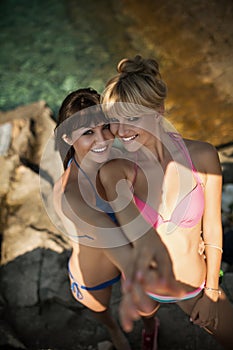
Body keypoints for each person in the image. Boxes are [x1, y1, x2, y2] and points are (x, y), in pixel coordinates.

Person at [98, 55, 233, 350]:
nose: (121, 131)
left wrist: (211, 291)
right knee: (147, 314)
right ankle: (151, 328)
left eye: (131, 118)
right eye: (114, 120)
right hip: (143, 286)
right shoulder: (119, 171)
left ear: (158, 110)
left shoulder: (203, 157)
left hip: (193, 286)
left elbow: (212, 227)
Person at [53, 88, 182, 350]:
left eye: (104, 128)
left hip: (133, 252)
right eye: (88, 132)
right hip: (93, 268)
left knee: (148, 310)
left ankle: (149, 328)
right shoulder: (69, 194)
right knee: (99, 310)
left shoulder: (123, 160)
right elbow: (106, 234)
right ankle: (114, 332)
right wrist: (134, 267)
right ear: (67, 137)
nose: (102, 140)